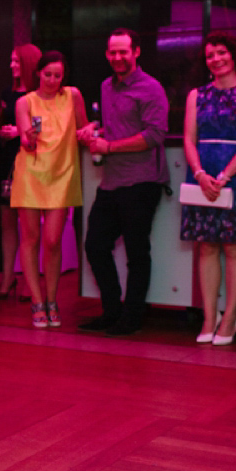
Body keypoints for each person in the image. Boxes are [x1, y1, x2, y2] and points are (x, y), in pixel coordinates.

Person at [77, 29, 170, 336]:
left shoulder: (151, 88)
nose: (117, 57)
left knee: (136, 252)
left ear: (136, 52)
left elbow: (155, 136)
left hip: (142, 181)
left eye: (123, 52)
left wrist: (110, 147)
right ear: (107, 54)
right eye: (112, 52)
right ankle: (112, 310)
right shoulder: (106, 86)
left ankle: (131, 317)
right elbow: (117, 126)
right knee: (95, 245)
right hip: (112, 181)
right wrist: (94, 130)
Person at [181, 33, 236, 345]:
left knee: (233, 246)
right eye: (209, 55)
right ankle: (208, 316)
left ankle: (230, 317)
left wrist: (225, 175)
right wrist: (201, 174)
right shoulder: (196, 95)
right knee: (206, 246)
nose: (215, 59)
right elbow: (189, 139)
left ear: (234, 55)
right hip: (202, 175)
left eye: (221, 53)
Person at [11, 51, 85, 328]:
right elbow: (25, 140)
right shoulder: (25, 102)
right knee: (30, 238)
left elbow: (83, 126)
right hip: (31, 172)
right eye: (48, 74)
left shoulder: (72, 96)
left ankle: (52, 297)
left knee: (53, 240)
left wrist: (91, 133)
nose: (53, 80)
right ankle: (37, 301)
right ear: (38, 74)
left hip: (62, 173)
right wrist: (27, 137)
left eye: (58, 75)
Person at [0, 45, 41, 299]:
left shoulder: (38, 95)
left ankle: (29, 280)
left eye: (17, 62)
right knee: (7, 222)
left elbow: (44, 129)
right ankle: (8, 277)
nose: (12, 66)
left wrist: (19, 133)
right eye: (11, 61)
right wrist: (2, 131)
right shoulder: (7, 93)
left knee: (29, 226)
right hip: (8, 159)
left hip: (29, 159)